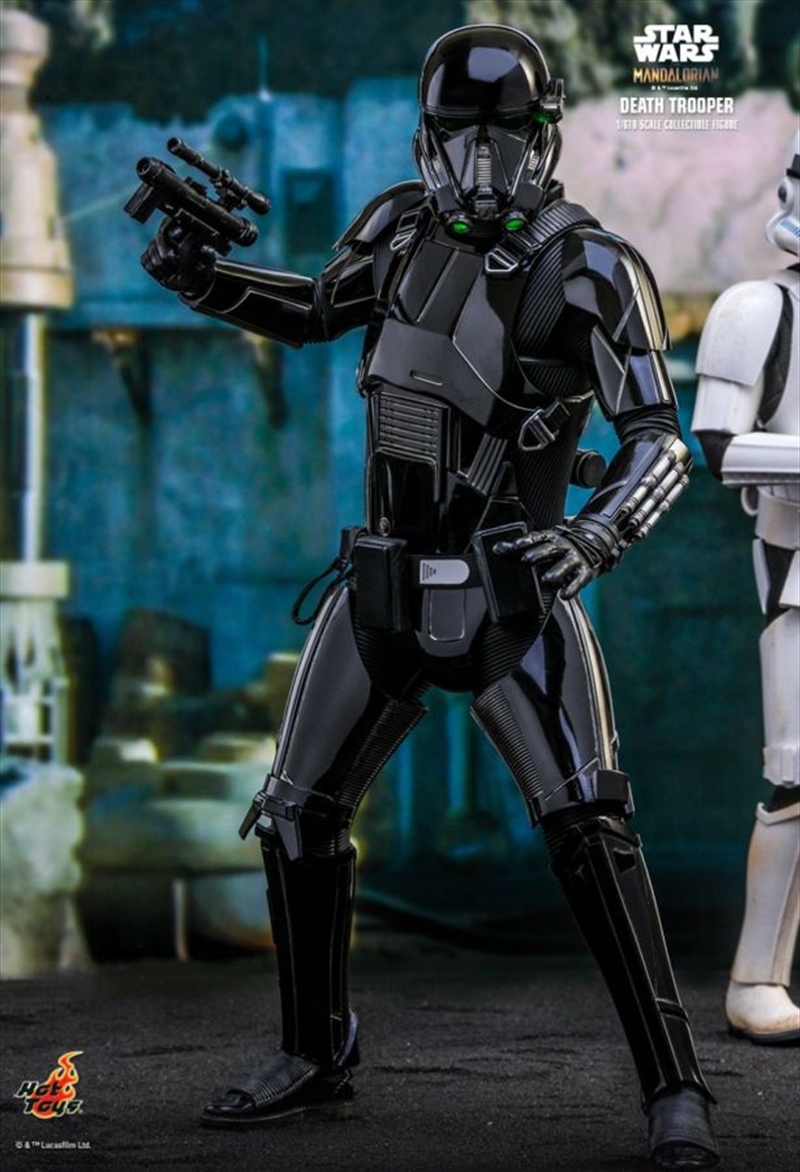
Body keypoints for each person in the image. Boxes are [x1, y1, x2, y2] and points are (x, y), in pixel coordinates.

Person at [139, 25, 719, 1169]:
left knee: (588, 828)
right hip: (384, 582)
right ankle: (314, 1050)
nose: (480, 160)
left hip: (516, 587)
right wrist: (204, 279)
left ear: (542, 137)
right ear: (427, 138)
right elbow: (313, 306)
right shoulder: (396, 227)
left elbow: (659, 438)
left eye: (503, 134)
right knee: (296, 813)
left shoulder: (589, 267)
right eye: (460, 135)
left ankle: (674, 1084)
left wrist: (595, 532)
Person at [692, 131, 800, 1045]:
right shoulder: (759, 309)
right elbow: (723, 448)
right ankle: (758, 976)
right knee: (797, 779)